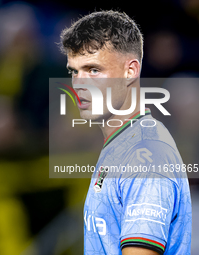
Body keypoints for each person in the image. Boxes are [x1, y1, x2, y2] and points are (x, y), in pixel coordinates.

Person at [59, 11, 192, 254]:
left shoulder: (146, 157)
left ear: (130, 71)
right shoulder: (122, 144)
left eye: (93, 70)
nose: (78, 83)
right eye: (75, 71)